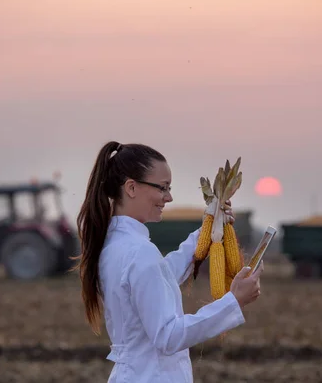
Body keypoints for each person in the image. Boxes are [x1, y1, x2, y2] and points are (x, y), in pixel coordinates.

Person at [76, 141, 263, 383]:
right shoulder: (139, 252)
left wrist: (209, 227)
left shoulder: (116, 245)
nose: (169, 197)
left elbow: (160, 277)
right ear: (131, 187)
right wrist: (233, 301)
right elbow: (168, 336)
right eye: (162, 188)